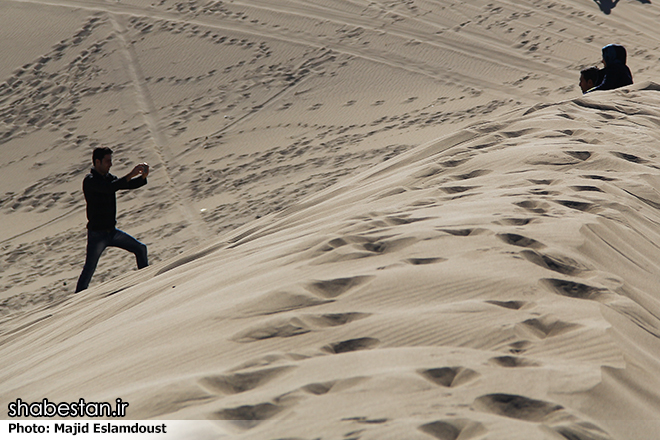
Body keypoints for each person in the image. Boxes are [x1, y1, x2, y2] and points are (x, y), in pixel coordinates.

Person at [75, 147, 150, 293]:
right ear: (97, 162)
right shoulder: (90, 181)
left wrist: (143, 177)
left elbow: (124, 185)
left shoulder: (108, 178)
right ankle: (75, 301)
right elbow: (109, 188)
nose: (110, 164)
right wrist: (131, 173)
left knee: (141, 249)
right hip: (97, 235)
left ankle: (146, 282)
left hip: (112, 232)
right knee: (89, 269)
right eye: (107, 161)